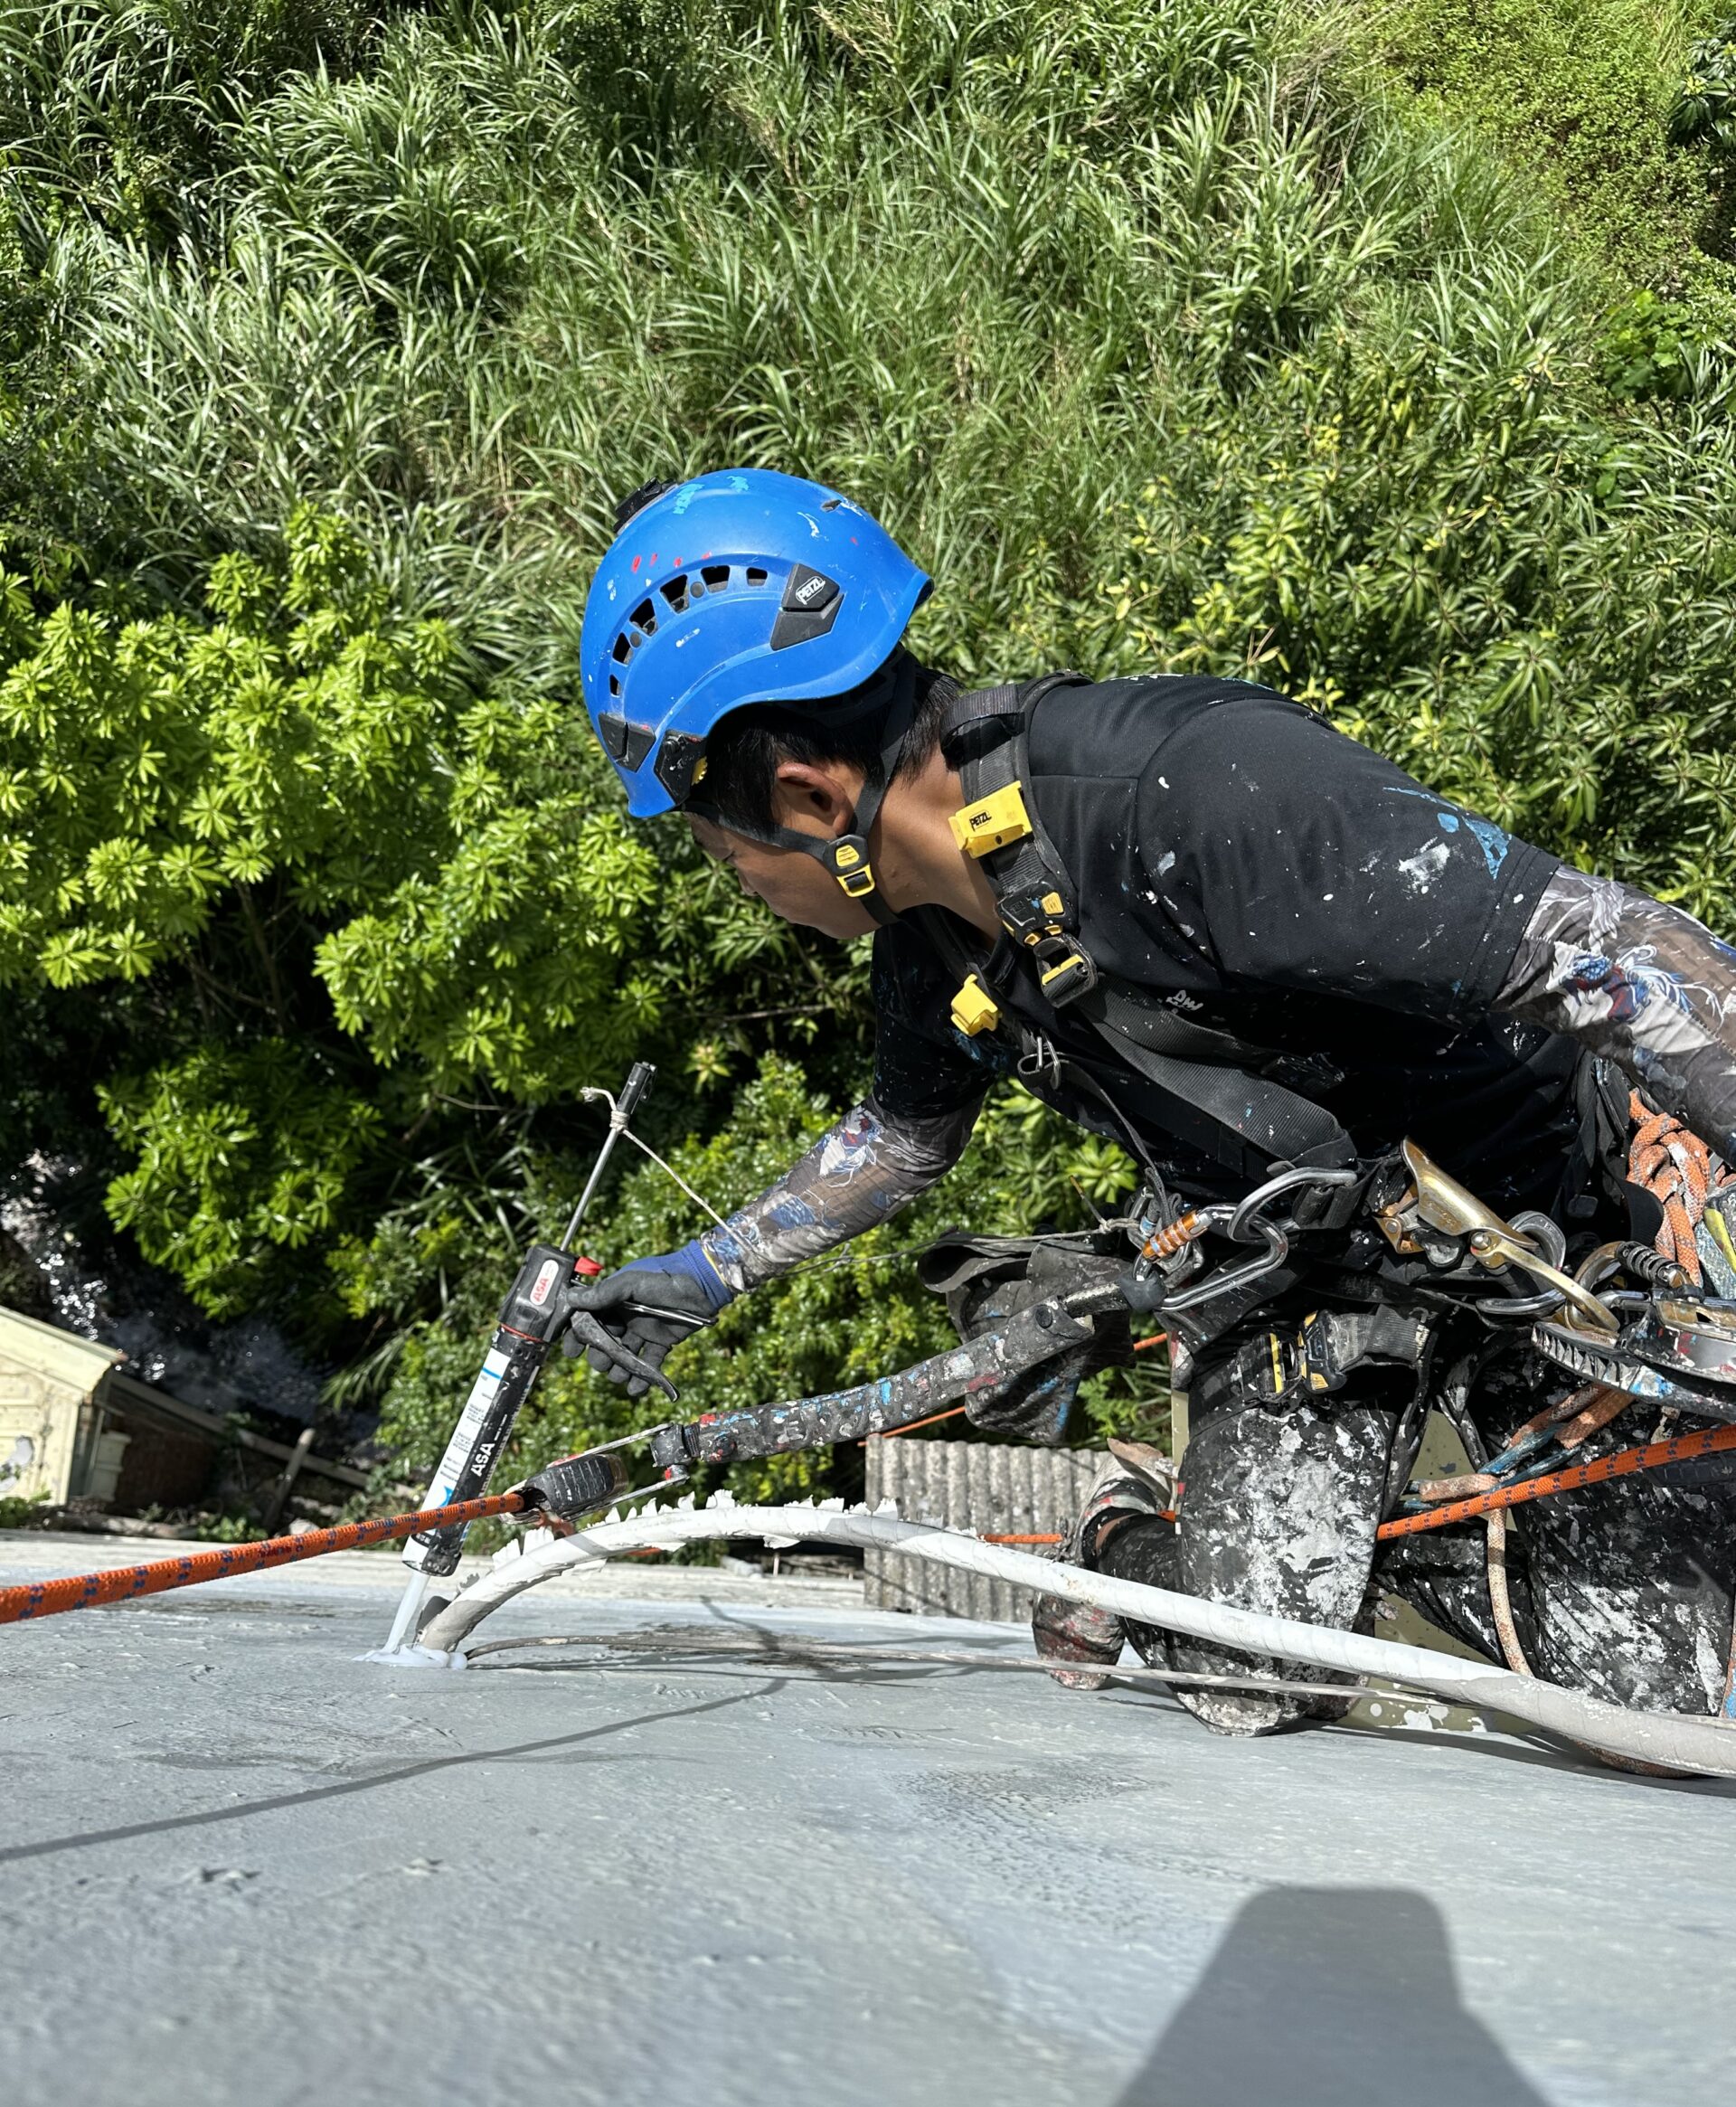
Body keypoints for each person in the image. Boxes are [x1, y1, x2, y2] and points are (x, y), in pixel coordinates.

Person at [569, 468, 1736, 1737]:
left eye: (707, 839)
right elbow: (900, 1137)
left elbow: (1616, 951)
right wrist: (705, 1271)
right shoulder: (926, 943)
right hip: (1305, 1282)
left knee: (1675, 1685)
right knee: (1248, 1673)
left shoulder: (1187, 794)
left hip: (1561, 1220)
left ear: (806, 797)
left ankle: (1457, 1519)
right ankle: (1130, 1530)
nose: (728, 876)